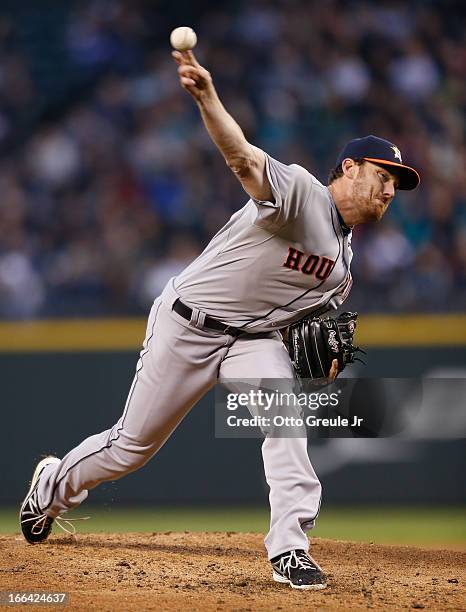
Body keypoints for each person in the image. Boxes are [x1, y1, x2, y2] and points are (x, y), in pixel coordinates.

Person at [20, 50, 420, 590]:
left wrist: (320, 360)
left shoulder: (344, 267)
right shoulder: (302, 194)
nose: (390, 188)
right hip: (188, 323)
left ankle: (290, 548)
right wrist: (207, 97)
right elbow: (244, 161)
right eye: (383, 174)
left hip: (250, 340)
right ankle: (52, 484)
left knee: (286, 415)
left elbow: (302, 327)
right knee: (130, 448)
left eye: (398, 182)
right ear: (348, 168)